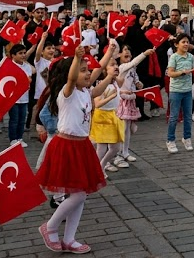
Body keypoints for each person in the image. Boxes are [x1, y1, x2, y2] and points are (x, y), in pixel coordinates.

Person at [36, 46, 115, 253]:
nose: (88, 73)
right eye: (83, 70)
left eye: (87, 69)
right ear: (70, 73)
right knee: (78, 195)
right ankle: (50, 226)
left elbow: (97, 80)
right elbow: (72, 79)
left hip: (82, 146)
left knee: (80, 195)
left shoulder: (85, 92)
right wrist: (76, 58)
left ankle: (70, 239)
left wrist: (111, 72)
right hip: (66, 146)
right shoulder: (67, 93)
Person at [116, 46, 152, 164]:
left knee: (128, 129)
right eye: (124, 50)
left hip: (131, 100)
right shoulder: (121, 68)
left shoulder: (133, 69)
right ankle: (118, 154)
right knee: (122, 128)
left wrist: (138, 83)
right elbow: (132, 63)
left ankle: (125, 152)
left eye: (129, 50)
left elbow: (135, 79)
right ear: (118, 55)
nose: (127, 52)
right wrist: (145, 53)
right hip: (122, 100)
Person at [91, 60, 126, 174]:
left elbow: (120, 87)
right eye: (112, 65)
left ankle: (101, 165)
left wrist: (126, 92)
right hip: (102, 117)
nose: (116, 67)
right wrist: (111, 97)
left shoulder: (115, 82)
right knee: (101, 147)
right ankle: (97, 169)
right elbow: (97, 103)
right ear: (105, 69)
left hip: (114, 115)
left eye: (116, 64)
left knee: (116, 147)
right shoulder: (101, 84)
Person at [165, 34, 194, 154]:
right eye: (183, 42)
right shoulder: (174, 57)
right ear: (176, 44)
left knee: (188, 117)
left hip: (188, 91)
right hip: (176, 91)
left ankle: (187, 138)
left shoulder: (191, 57)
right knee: (173, 117)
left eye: (187, 42)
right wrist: (183, 72)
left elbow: (193, 71)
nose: (186, 44)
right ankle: (170, 140)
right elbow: (170, 73)